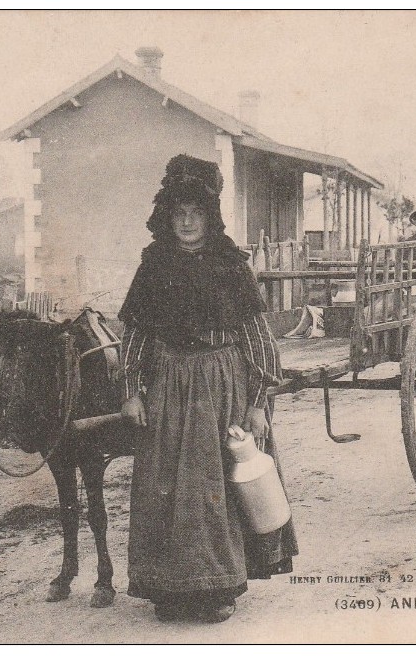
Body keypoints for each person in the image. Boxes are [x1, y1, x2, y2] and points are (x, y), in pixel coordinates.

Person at [117, 154, 298, 624]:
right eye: (178, 212)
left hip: (222, 386)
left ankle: (218, 587)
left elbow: (257, 334)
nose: (187, 220)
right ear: (166, 217)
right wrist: (133, 390)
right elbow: (136, 333)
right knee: (165, 487)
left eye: (196, 211)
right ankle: (168, 589)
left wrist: (259, 402)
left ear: (209, 216)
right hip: (167, 384)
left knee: (214, 487)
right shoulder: (153, 265)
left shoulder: (230, 264)